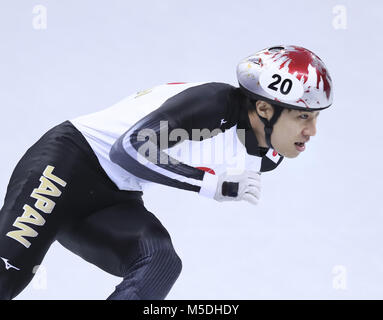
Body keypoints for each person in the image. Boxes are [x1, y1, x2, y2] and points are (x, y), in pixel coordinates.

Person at [0, 45, 333, 300]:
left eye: (316, 117)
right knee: (7, 276)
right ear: (264, 108)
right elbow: (128, 148)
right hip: (65, 165)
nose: (312, 131)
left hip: (112, 199)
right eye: (303, 117)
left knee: (159, 263)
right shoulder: (214, 102)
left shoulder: (269, 156)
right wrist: (211, 183)